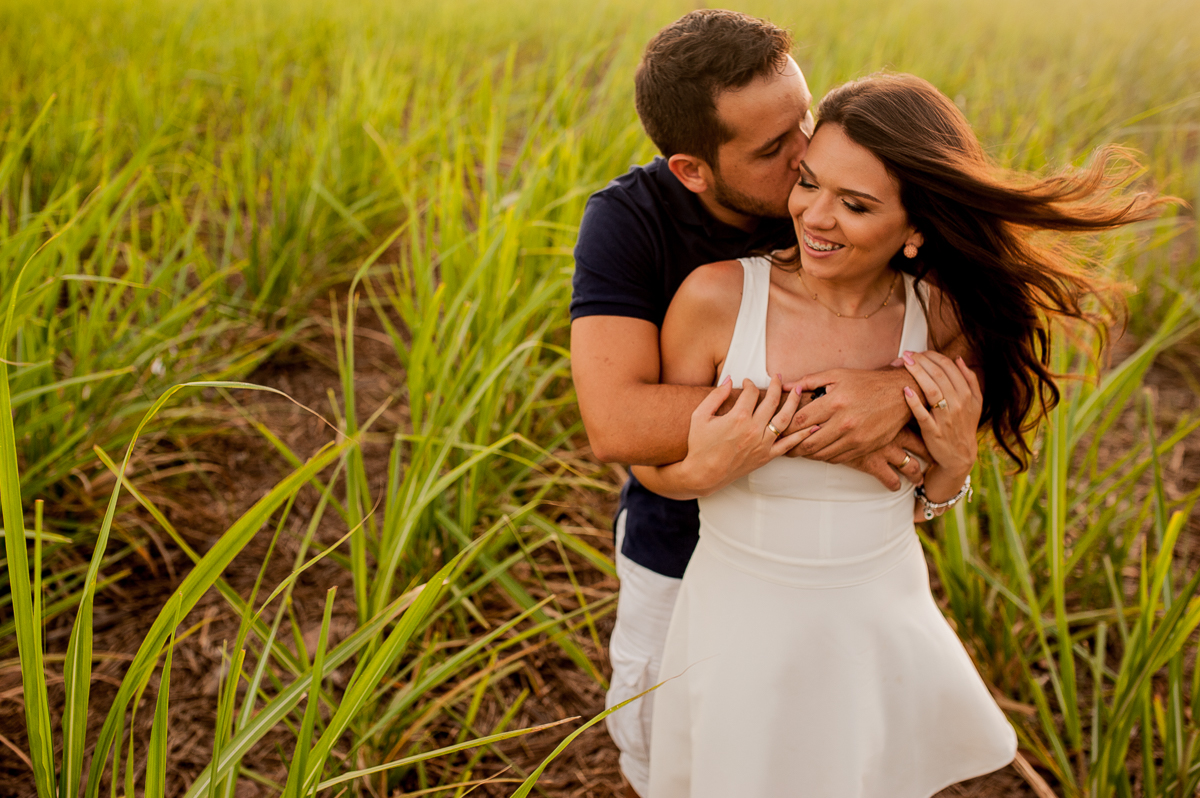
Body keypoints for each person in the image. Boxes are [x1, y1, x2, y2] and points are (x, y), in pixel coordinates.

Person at [634, 72, 1161, 797]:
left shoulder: (935, 321)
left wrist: (954, 463)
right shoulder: (718, 300)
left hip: (876, 611)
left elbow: (922, 498)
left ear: (915, 228)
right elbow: (654, 463)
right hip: (742, 611)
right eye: (808, 183)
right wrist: (705, 466)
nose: (815, 216)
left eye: (854, 204)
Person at [570, 13, 955, 795]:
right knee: (679, 760)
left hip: (840, 566)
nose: (807, 153)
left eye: (803, 121)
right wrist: (835, 416)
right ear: (692, 169)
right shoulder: (629, 224)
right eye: (775, 150)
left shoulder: (854, 195)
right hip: (680, 553)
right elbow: (617, 421)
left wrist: (901, 386)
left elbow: (982, 326)